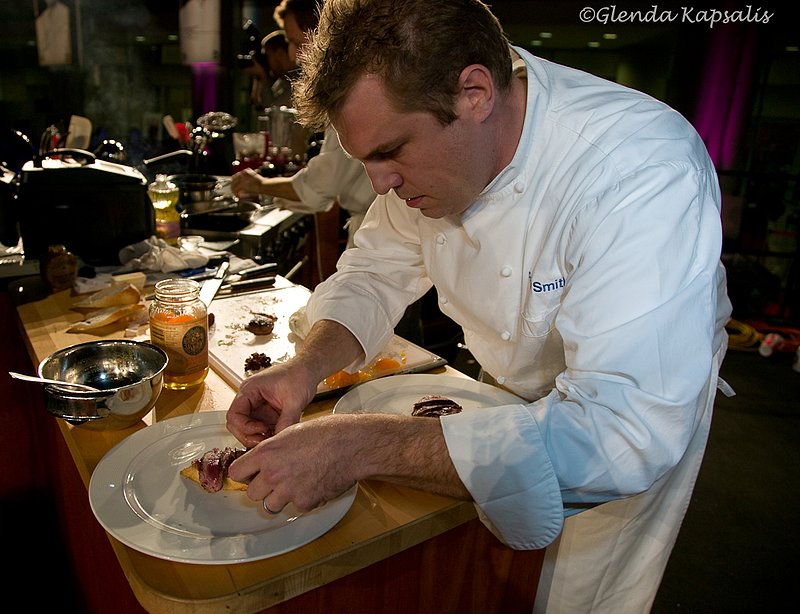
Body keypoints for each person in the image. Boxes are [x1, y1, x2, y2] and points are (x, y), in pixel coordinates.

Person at [226, 1, 733, 612]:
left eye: (391, 151)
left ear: (474, 94)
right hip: (504, 390)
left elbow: (625, 434)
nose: (379, 184)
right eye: (366, 162)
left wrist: (359, 446)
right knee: (480, 578)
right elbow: (373, 271)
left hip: (624, 416)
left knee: (570, 597)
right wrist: (306, 366)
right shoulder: (433, 155)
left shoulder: (639, 170)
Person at [230, 0, 375, 248]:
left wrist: (261, 184)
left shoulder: (354, 92)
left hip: (378, 235)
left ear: (323, 35)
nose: (292, 55)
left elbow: (325, 182)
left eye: (297, 43)